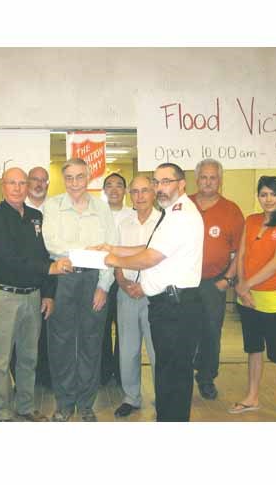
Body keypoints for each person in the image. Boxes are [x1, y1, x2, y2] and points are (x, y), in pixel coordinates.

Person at [97, 163, 204, 422]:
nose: (159, 188)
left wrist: (110, 259)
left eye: (165, 182)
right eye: (157, 182)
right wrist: (111, 247)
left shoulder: (180, 215)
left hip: (175, 306)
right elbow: (146, 247)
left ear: (182, 184)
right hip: (168, 304)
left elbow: (149, 258)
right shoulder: (173, 213)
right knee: (169, 372)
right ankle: (165, 418)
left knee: (173, 373)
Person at [0, 167, 71, 422]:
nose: (18, 188)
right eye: (12, 183)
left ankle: (25, 406)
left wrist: (48, 293)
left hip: (33, 297)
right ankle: (2, 410)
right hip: (4, 297)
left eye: (22, 183)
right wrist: (48, 268)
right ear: (3, 185)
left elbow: (44, 255)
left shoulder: (36, 217)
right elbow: (10, 259)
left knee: (29, 356)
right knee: (1, 359)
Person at [43, 158, 117, 422]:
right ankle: (64, 403)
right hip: (63, 279)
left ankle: (86, 404)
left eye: (80, 177)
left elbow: (110, 248)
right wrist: (88, 252)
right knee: (60, 343)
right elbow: (53, 245)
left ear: (89, 178)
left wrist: (103, 286)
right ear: (64, 180)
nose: (75, 183)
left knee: (91, 343)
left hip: (93, 281)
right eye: (70, 177)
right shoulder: (52, 206)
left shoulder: (101, 208)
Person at [230, 175, 276, 422]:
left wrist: (244, 285)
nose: (268, 199)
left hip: (271, 298)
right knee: (253, 349)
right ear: (258, 196)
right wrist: (241, 286)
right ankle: (252, 397)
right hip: (246, 296)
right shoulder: (251, 220)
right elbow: (241, 255)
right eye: (263, 194)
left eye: (273, 194)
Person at [190, 159, 244, 400]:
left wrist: (228, 279)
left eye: (213, 177)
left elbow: (241, 250)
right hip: (183, 283)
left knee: (211, 331)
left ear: (220, 181)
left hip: (214, 282)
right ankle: (182, 374)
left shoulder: (231, 210)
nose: (208, 182)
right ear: (197, 179)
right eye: (204, 177)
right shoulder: (183, 205)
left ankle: (206, 377)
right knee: (183, 330)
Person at [113, 176, 158, 417]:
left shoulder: (163, 222)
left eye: (145, 191)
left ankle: (163, 395)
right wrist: (121, 280)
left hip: (154, 295)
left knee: (156, 349)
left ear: (154, 192)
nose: (140, 196)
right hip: (126, 292)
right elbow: (117, 255)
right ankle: (131, 397)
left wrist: (145, 286)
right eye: (135, 192)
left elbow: (164, 258)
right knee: (128, 349)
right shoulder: (124, 223)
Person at [10, 166, 52, 389]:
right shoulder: (17, 211)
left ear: (48, 184)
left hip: (46, 283)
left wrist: (49, 292)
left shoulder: (53, 211)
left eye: (43, 180)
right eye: (33, 179)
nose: (38, 184)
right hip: (17, 286)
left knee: (45, 335)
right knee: (19, 339)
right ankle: (22, 382)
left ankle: (43, 377)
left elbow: (52, 255)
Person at [101, 172, 133, 386]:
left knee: (125, 330)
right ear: (104, 190)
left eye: (119, 185)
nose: (114, 189)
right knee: (101, 329)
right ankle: (103, 373)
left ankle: (123, 375)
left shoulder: (133, 214)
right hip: (101, 281)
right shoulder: (96, 214)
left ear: (125, 191)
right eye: (109, 185)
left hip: (125, 280)